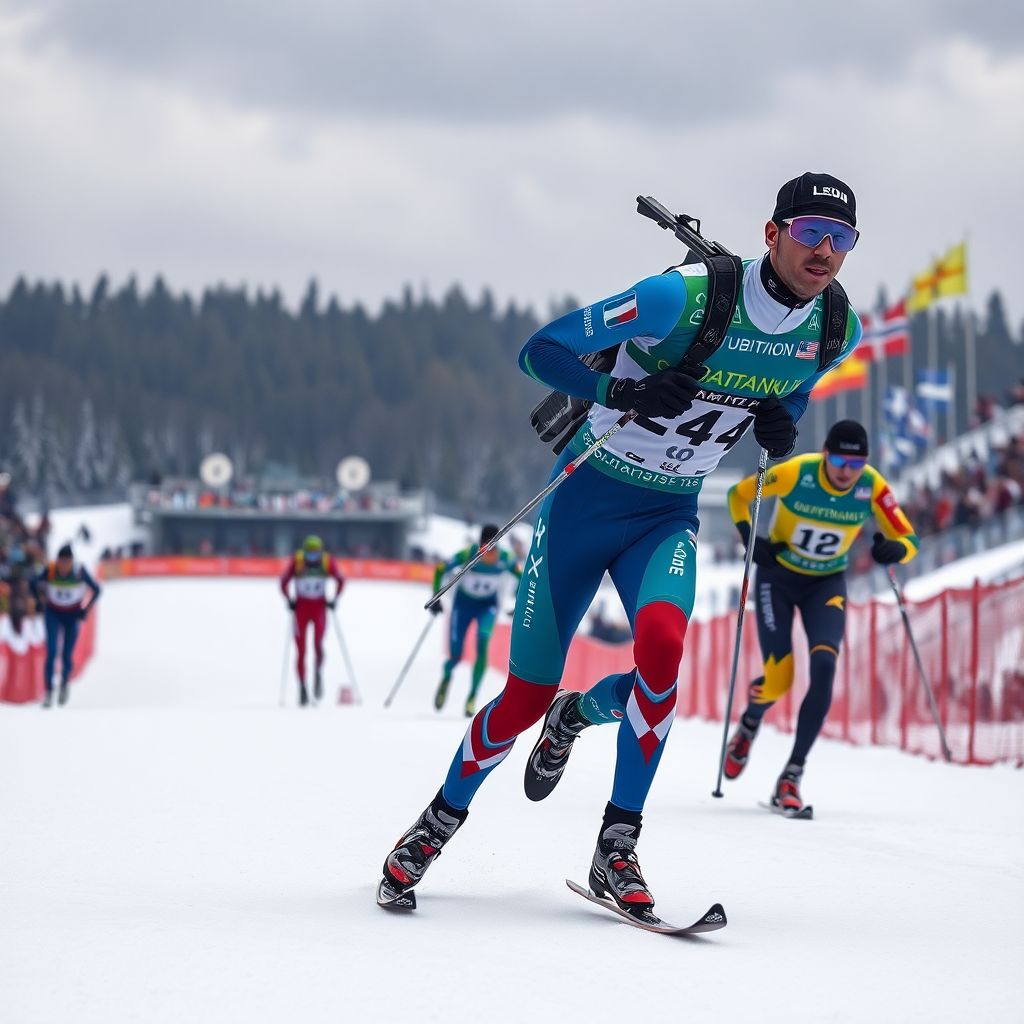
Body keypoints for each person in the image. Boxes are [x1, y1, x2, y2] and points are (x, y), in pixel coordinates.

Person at [378, 171, 864, 916]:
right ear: (773, 234)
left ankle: (616, 842)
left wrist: (781, 422)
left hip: (667, 514)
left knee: (664, 649)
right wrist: (622, 392)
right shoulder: (685, 297)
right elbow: (541, 352)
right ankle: (434, 825)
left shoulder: (835, 328)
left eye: (842, 239)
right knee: (521, 698)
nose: (825, 250)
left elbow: (792, 385)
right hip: (585, 500)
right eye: (810, 233)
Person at [723, 420, 919, 812]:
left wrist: (894, 552)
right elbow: (737, 495)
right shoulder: (798, 472)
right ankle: (749, 724)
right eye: (841, 459)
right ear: (827, 453)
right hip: (777, 579)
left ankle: (791, 775)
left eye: (857, 462)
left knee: (826, 666)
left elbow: (908, 538)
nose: (848, 470)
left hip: (825, 585)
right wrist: (750, 538)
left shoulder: (872, 486)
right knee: (780, 679)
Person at [430, 524, 522, 717]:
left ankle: (472, 696)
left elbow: (524, 577)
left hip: (486, 607)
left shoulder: (505, 559)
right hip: (463, 607)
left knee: (482, 643)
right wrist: (436, 597)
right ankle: (447, 677)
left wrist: (519, 603)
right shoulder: (469, 554)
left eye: (493, 548)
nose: (488, 553)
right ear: (479, 544)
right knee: (456, 656)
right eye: (484, 547)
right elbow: (440, 568)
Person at [279, 535, 345, 705]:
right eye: (310, 552)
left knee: (318, 645)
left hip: (319, 608)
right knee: (301, 650)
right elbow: (283, 581)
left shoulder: (326, 561)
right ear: (305, 551)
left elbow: (340, 580)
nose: (313, 555)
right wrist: (289, 600)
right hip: (301, 609)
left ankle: (317, 672)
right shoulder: (298, 561)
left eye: (316, 551)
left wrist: (334, 599)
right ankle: (302, 686)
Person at [33, 543, 101, 707]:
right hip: (53, 613)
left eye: (66, 562)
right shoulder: (50, 569)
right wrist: (40, 601)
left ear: (71, 561)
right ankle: (49, 691)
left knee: (66, 654)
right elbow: (33, 583)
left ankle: (63, 683)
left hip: (72, 615)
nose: (63, 566)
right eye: (60, 562)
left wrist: (85, 609)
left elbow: (97, 589)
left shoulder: (79, 571)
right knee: (51, 651)